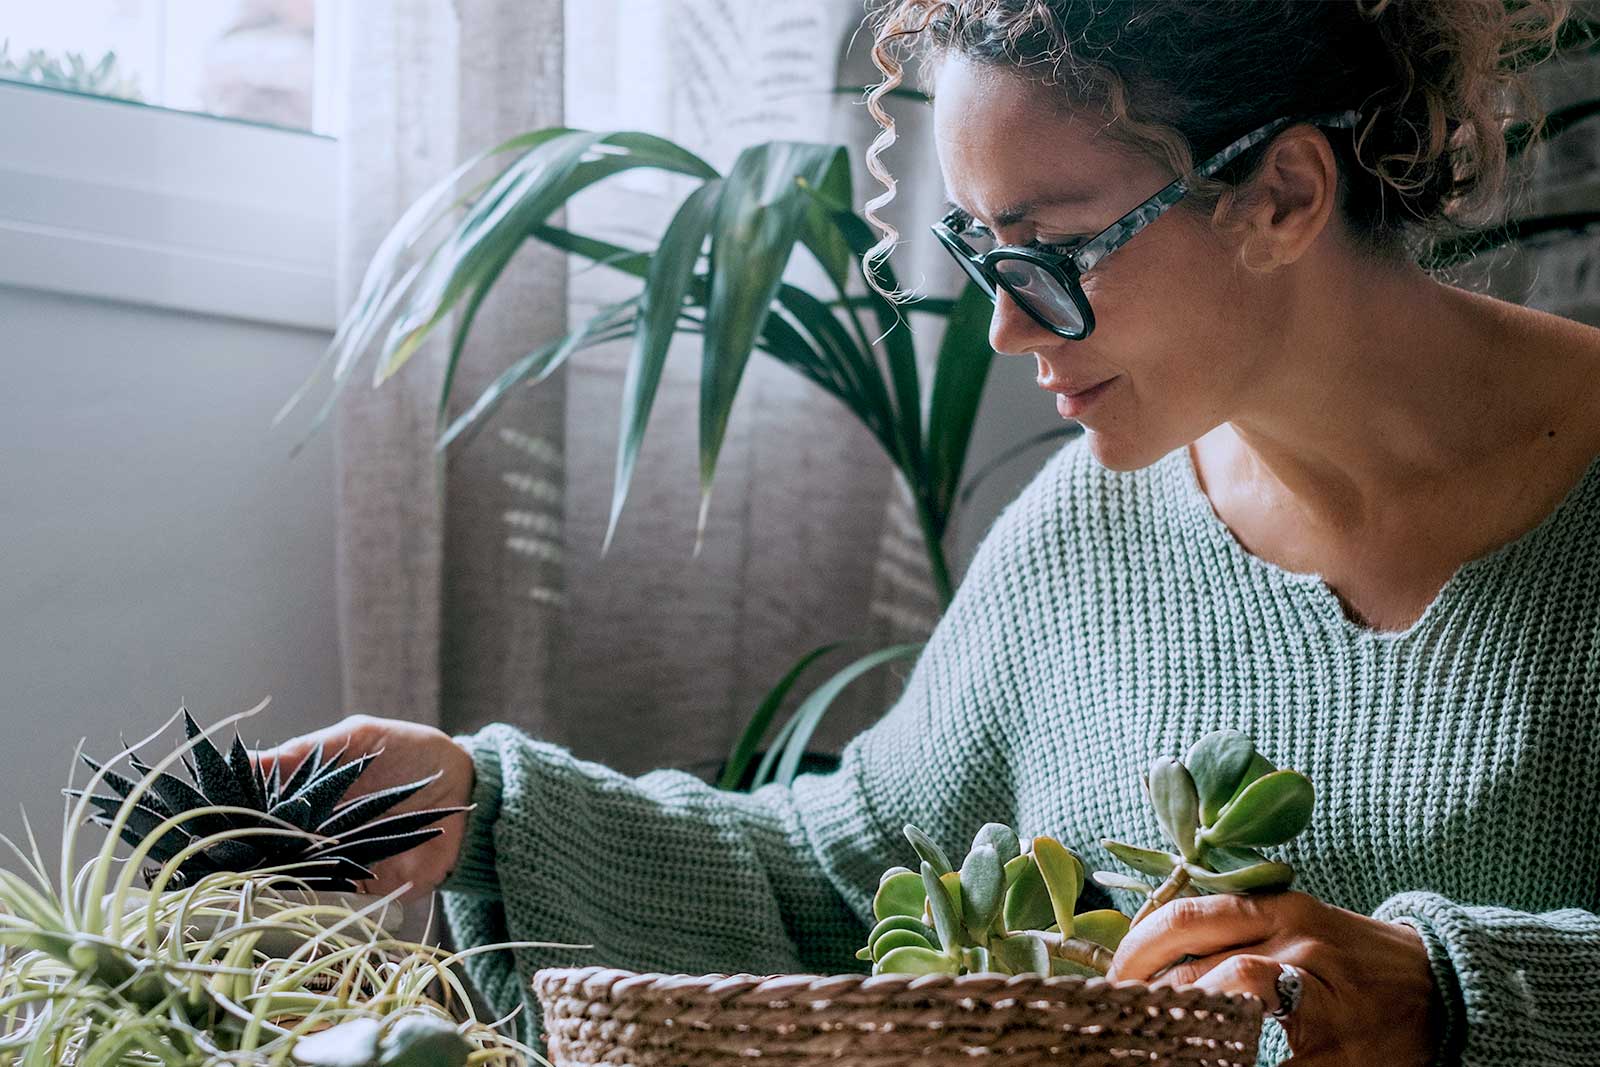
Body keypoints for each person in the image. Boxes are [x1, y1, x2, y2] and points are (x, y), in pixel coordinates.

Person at [261, 2, 1600, 1063]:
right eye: (979, 254)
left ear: (1286, 198)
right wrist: (482, 807)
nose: (1008, 324)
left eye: (1055, 248)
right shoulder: (1088, 531)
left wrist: (1455, 998)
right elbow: (848, 877)